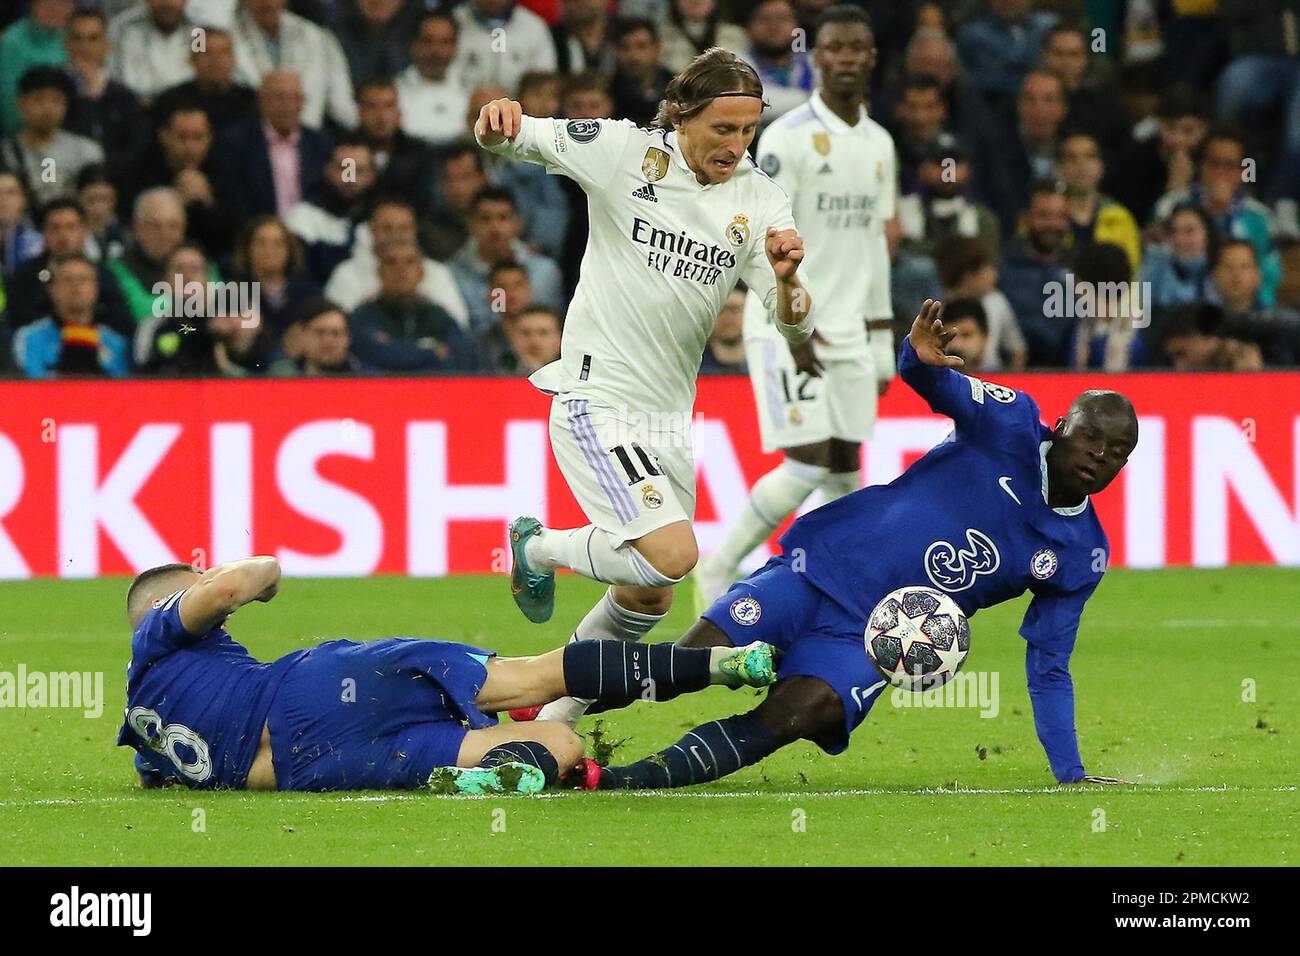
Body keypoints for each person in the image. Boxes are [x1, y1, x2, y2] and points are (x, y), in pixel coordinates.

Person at [570, 299, 1138, 791]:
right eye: (1090, 436)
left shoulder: (1078, 553)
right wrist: (918, 357)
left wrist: (1070, 771)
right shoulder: (1011, 423)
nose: (1097, 455)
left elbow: (1049, 664)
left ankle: (615, 781)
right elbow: (932, 381)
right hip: (818, 568)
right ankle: (538, 708)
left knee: (795, 714)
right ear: (1062, 425)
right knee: (684, 667)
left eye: (1115, 452)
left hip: (878, 637)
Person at [476, 46, 811, 729]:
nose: (737, 144)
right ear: (682, 115)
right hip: (597, 400)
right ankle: (536, 546)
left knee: (649, 593)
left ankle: (551, 723)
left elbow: (795, 327)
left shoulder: (760, 197)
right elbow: (515, 137)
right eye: (723, 128)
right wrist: (495, 121)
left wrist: (785, 281)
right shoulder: (623, 151)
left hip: (667, 421)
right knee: (673, 555)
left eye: (749, 130)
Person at [118, 556, 777, 794]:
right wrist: (264, 578)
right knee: (535, 678)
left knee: (559, 746)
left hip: (311, 770)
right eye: (189, 587)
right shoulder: (159, 625)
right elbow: (238, 581)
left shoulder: (144, 735)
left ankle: (500, 775)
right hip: (313, 690)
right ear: (160, 607)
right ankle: (717, 665)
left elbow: (162, 772)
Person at [697, 6, 893, 603]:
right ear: (817, 56)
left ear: (872, 57)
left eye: (857, 48)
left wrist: (883, 338)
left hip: (854, 330)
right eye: (834, 47)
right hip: (790, 325)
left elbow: (876, 246)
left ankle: (838, 595)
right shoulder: (786, 139)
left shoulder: (881, 143)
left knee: (844, 469)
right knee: (807, 463)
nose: (846, 58)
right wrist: (793, 329)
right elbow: (761, 237)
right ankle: (718, 567)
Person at [12, 255, 129, 379]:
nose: (76, 286)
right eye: (67, 279)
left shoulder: (116, 343)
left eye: (83, 279)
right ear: (52, 289)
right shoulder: (29, 338)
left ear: (96, 288)